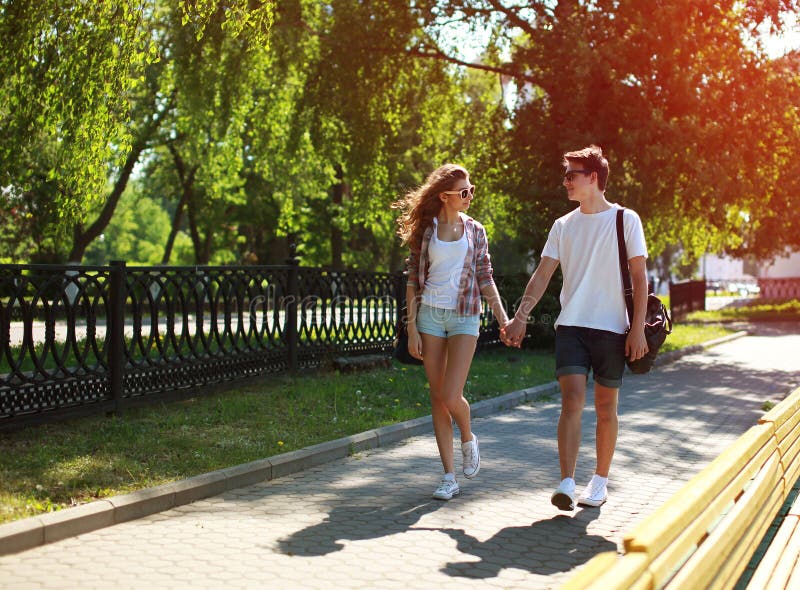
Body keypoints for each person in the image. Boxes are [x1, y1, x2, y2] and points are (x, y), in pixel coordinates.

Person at [502, 145, 649, 510]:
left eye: (572, 174)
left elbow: (640, 278)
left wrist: (638, 329)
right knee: (570, 401)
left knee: (605, 407)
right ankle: (567, 482)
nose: (566, 181)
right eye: (565, 175)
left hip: (614, 328)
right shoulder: (563, 225)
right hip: (571, 326)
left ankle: (599, 482)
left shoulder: (625, 219)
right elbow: (542, 276)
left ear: (593, 178)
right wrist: (520, 316)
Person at [394, 164, 510, 501]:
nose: (470, 195)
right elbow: (414, 280)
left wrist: (503, 319)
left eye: (471, 189)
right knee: (437, 397)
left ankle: (469, 437)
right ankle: (448, 476)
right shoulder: (426, 231)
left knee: (450, 394)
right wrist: (412, 327)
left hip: (464, 318)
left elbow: (485, 277)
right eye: (464, 191)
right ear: (445, 196)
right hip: (429, 317)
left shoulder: (476, 231)